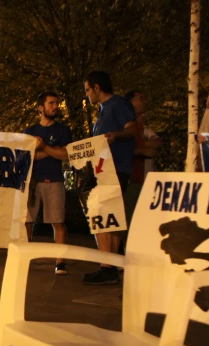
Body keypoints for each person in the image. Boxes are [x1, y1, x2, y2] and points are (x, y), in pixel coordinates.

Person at [82, 70, 137, 285]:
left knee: (101, 213)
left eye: (87, 89)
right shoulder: (103, 111)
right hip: (104, 169)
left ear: (97, 88)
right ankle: (112, 265)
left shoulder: (118, 105)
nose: (87, 94)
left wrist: (116, 135)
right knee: (110, 215)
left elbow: (132, 129)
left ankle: (107, 266)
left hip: (113, 170)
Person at [22, 92, 72, 275]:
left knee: (58, 221)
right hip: (32, 182)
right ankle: (25, 257)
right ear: (41, 107)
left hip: (55, 180)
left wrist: (42, 148)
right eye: (51, 103)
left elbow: (66, 155)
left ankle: (61, 261)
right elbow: (26, 157)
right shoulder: (29, 132)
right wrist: (52, 150)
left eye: (57, 103)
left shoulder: (63, 130)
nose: (55, 106)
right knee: (27, 222)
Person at [125, 90, 161, 226]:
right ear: (131, 103)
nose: (144, 101)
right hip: (131, 179)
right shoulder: (127, 126)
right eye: (141, 98)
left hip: (141, 180)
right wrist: (143, 150)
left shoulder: (142, 128)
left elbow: (157, 142)